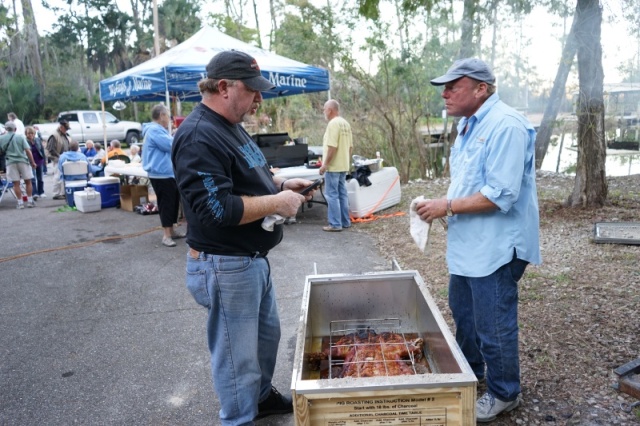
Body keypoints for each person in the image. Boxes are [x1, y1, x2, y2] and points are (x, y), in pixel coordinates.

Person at [172, 50, 315, 425]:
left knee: (267, 339)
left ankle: (261, 397)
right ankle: (238, 417)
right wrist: (277, 201)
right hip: (225, 264)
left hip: (251, 259)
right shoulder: (198, 136)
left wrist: (283, 185)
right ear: (224, 87)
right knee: (237, 357)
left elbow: (251, 175)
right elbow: (216, 209)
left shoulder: (230, 125)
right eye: (253, 90)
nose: (259, 99)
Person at [415, 58, 542, 423]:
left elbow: (500, 194)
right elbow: (470, 182)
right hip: (470, 244)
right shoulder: (468, 125)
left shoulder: (506, 126)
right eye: (445, 86)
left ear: (481, 89)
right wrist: (444, 205)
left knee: (493, 322)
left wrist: (447, 205)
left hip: (497, 247)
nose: (445, 92)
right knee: (465, 314)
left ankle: (505, 393)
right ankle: (469, 373)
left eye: (454, 85)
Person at [141, 104, 185, 247]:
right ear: (161, 116)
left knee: (172, 202)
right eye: (167, 115)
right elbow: (171, 145)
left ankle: (171, 231)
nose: (169, 119)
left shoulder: (157, 130)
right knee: (167, 204)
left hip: (166, 173)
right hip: (161, 174)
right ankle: (166, 235)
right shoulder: (155, 130)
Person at [319, 99, 353, 232]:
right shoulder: (345, 123)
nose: (323, 112)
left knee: (332, 195)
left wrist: (325, 164)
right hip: (343, 165)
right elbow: (350, 147)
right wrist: (345, 161)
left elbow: (332, 147)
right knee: (342, 194)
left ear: (330, 110)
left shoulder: (333, 124)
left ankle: (335, 224)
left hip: (333, 166)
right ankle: (345, 222)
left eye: (324, 109)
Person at [0, 121, 37, 208]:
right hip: (23, 161)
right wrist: (32, 162)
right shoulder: (20, 137)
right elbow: (28, 150)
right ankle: (30, 201)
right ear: (15, 129)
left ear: (5, 129)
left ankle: (20, 203)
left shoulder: (1, 138)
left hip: (10, 162)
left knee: (15, 183)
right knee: (28, 181)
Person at [46, 119, 71, 200]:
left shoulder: (65, 135)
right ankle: (56, 193)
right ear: (61, 127)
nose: (66, 130)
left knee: (63, 176)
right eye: (65, 128)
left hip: (64, 158)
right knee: (57, 176)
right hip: (57, 158)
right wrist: (59, 156)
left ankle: (63, 193)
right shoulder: (54, 135)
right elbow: (51, 149)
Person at [26, 126, 46, 200]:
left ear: (34, 134)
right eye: (29, 133)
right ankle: (34, 193)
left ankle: (41, 192)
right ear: (26, 134)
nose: (30, 135)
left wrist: (45, 160)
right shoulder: (25, 141)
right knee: (33, 178)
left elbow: (42, 151)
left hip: (39, 160)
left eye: (32, 133)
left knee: (40, 177)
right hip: (31, 162)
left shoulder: (37, 140)